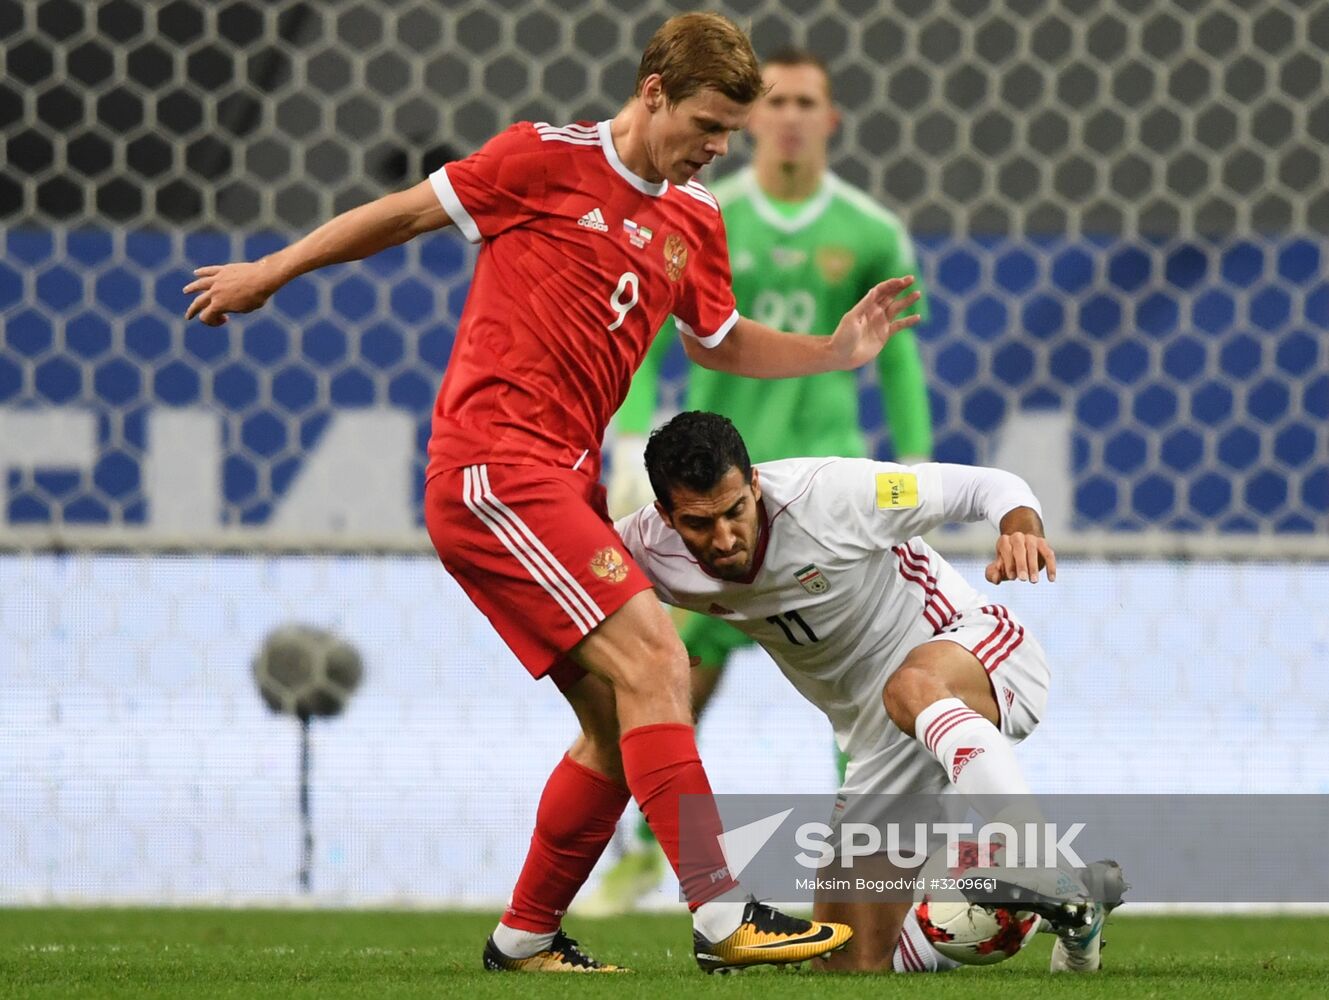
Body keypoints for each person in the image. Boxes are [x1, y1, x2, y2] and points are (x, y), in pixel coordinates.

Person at [182, 13, 925, 975]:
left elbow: (718, 337)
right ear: (652, 90)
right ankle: (720, 916)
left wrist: (833, 352)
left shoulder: (694, 218)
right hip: (494, 467)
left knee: (621, 727)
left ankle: (524, 936)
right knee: (658, 657)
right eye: (707, 123)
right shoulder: (540, 158)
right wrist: (269, 271)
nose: (715, 148)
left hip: (558, 480)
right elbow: (403, 212)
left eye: (728, 135)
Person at [595, 47, 933, 911]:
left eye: (803, 101)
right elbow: (653, 322)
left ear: (830, 118)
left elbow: (897, 359)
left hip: (822, 494)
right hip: (719, 505)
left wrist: (917, 465)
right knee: (664, 678)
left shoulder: (870, 230)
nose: (787, 114)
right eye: (773, 99)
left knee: (863, 686)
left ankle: (864, 866)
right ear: (753, 117)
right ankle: (646, 853)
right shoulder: (708, 215)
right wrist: (630, 430)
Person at [614, 410, 1125, 973]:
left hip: (977, 649)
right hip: (883, 746)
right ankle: (1078, 904)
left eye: (736, 511)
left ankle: (1032, 857)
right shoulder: (644, 550)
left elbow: (990, 486)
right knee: (847, 965)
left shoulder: (831, 495)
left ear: (754, 483)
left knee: (909, 685)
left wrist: (1020, 527)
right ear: (666, 515)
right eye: (699, 524)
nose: (725, 537)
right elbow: (562, 579)